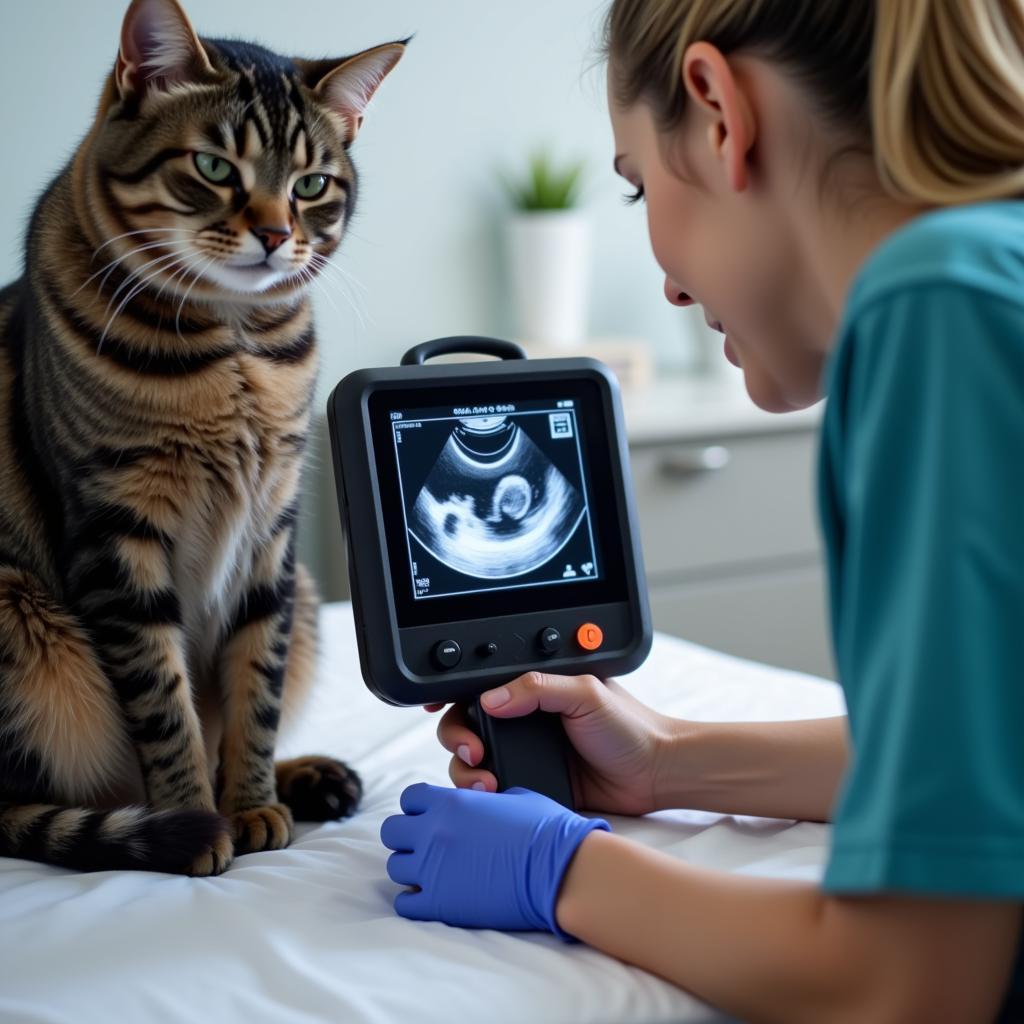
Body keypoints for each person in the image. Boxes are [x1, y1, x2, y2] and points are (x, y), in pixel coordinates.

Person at [379, 1, 1024, 1019]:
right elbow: (985, 752)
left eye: (635, 184)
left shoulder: (934, 307)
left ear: (718, 110)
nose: (669, 289)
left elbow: (902, 985)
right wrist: (668, 761)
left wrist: (562, 872)